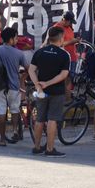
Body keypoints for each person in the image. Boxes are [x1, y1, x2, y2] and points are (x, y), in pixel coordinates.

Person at [29, 26, 70, 157]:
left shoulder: (40, 52)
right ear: (61, 38)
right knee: (53, 119)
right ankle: (50, 149)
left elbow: (31, 70)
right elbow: (63, 75)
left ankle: (36, 147)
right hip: (56, 91)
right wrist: (48, 83)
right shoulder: (64, 54)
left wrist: (38, 85)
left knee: (40, 119)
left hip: (41, 91)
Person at [0, 27, 28, 146]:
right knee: (14, 110)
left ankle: (2, 139)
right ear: (11, 39)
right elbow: (28, 68)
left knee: (1, 112)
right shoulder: (19, 53)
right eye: (16, 38)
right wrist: (22, 78)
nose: (17, 40)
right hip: (14, 87)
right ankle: (14, 131)